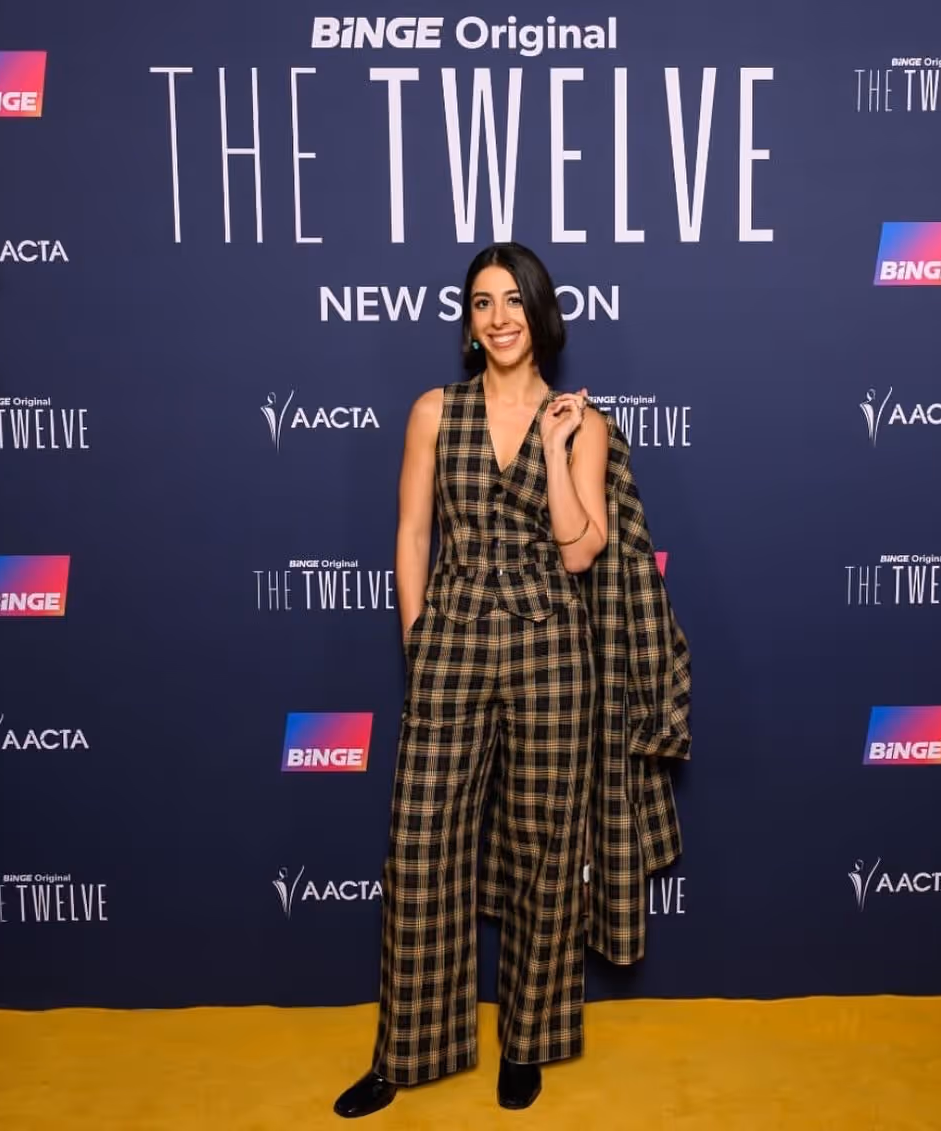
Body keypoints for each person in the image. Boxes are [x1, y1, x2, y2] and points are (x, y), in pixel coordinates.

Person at [334, 242, 607, 1118]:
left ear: (540, 311)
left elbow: (581, 551)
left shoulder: (583, 423)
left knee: (543, 850)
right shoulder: (434, 411)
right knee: (420, 848)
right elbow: (413, 533)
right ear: (469, 321)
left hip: (549, 650)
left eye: (513, 299)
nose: (499, 317)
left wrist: (558, 447)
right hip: (451, 642)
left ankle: (525, 1042)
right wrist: (419, 639)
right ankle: (404, 1051)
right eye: (483, 302)